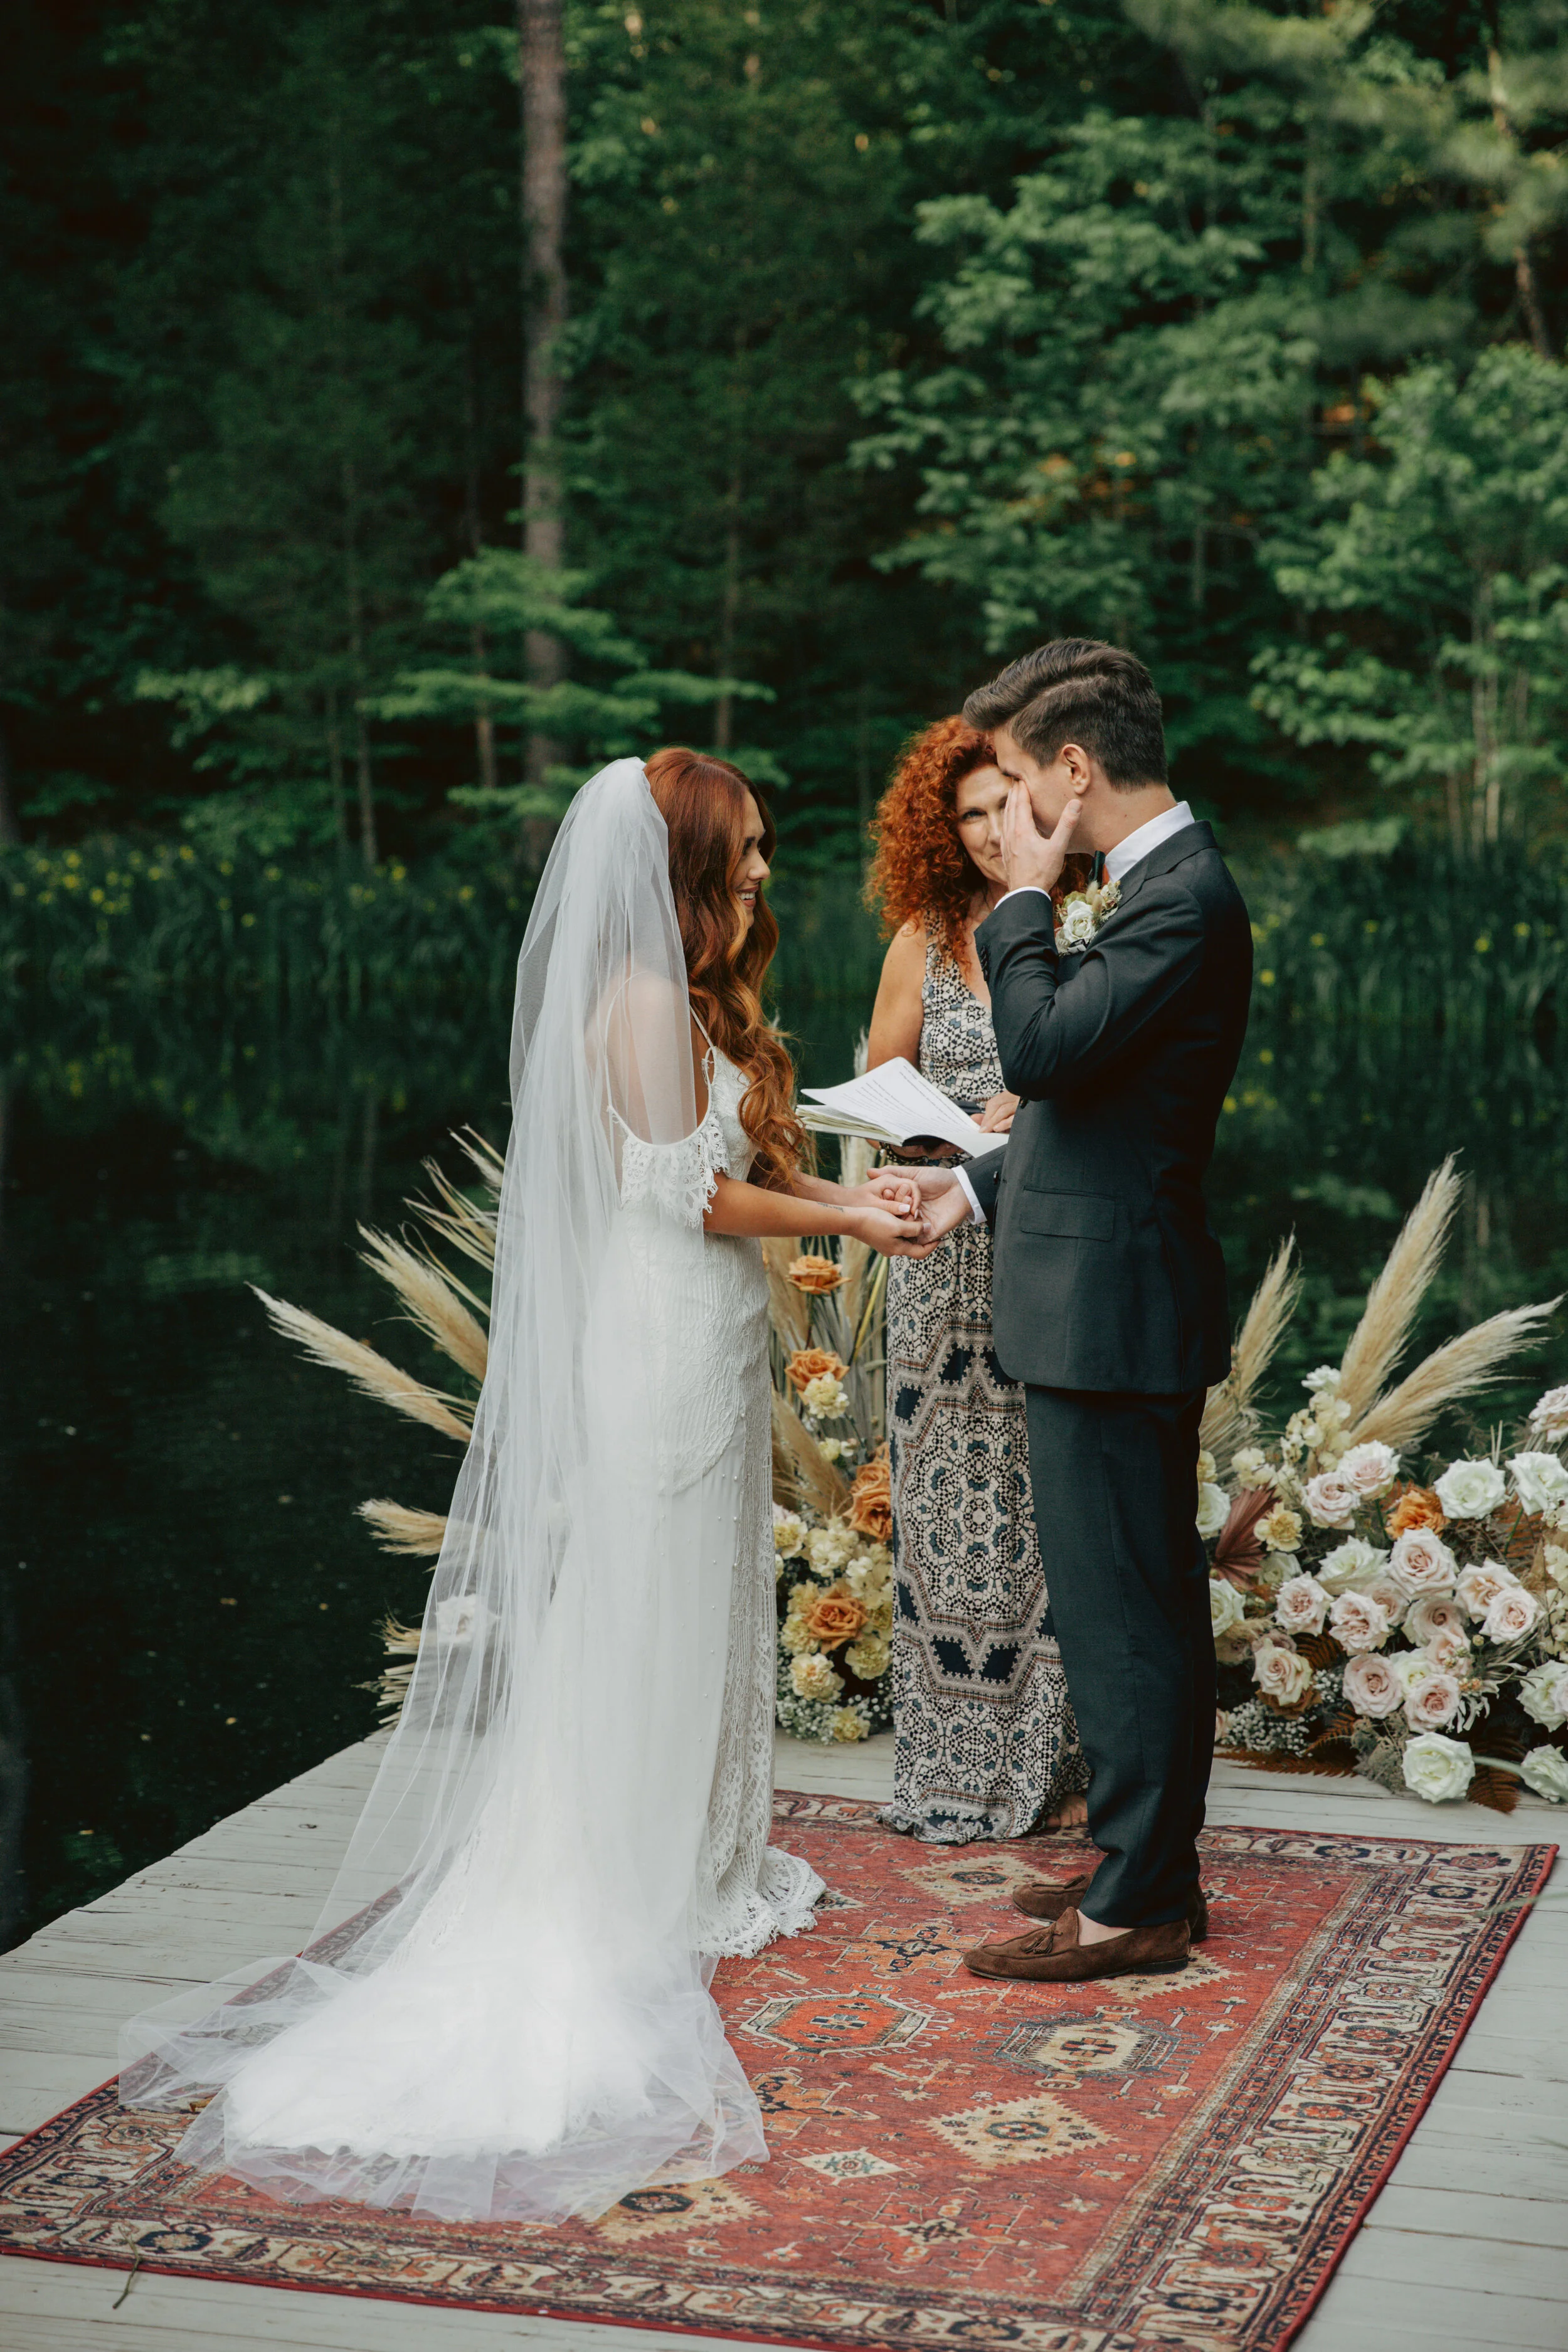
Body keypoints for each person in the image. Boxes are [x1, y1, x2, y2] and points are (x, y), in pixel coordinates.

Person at [120, 751, 923, 2224]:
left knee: (685, 1597)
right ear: (675, 868)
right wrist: (856, 1223)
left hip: (694, 1324)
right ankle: (627, 1878)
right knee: (648, 1606)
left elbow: (711, 1182)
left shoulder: (678, 1001)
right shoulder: (635, 1004)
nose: (759, 873)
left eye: (757, 851)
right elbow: (685, 1197)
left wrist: (846, 1205)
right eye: (737, 853)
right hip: (663, 1339)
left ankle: (692, 1852)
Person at [876, 642, 1251, 1984]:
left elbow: (1034, 1056)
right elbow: (1089, 1112)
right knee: (1126, 1600)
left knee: (1121, 1609)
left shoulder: (1173, 901)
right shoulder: (1156, 894)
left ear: (1074, 771)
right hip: (1099, 1289)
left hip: (1113, 1307)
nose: (1019, 811)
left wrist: (1023, 903)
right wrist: (969, 1193)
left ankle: (1139, 1904)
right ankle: (1144, 1871)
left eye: (1027, 782)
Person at [864, 716, 1088, 1843]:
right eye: (968, 816)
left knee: (1046, 1518)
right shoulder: (921, 936)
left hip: (1055, 1263)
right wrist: (951, 1134)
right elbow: (876, 1101)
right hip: (941, 1272)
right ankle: (949, 1770)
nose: (994, 832)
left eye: (1006, 802)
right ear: (940, 833)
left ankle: (1051, 1768)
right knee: (950, 1528)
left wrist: (1032, 1114)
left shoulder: (1085, 922)